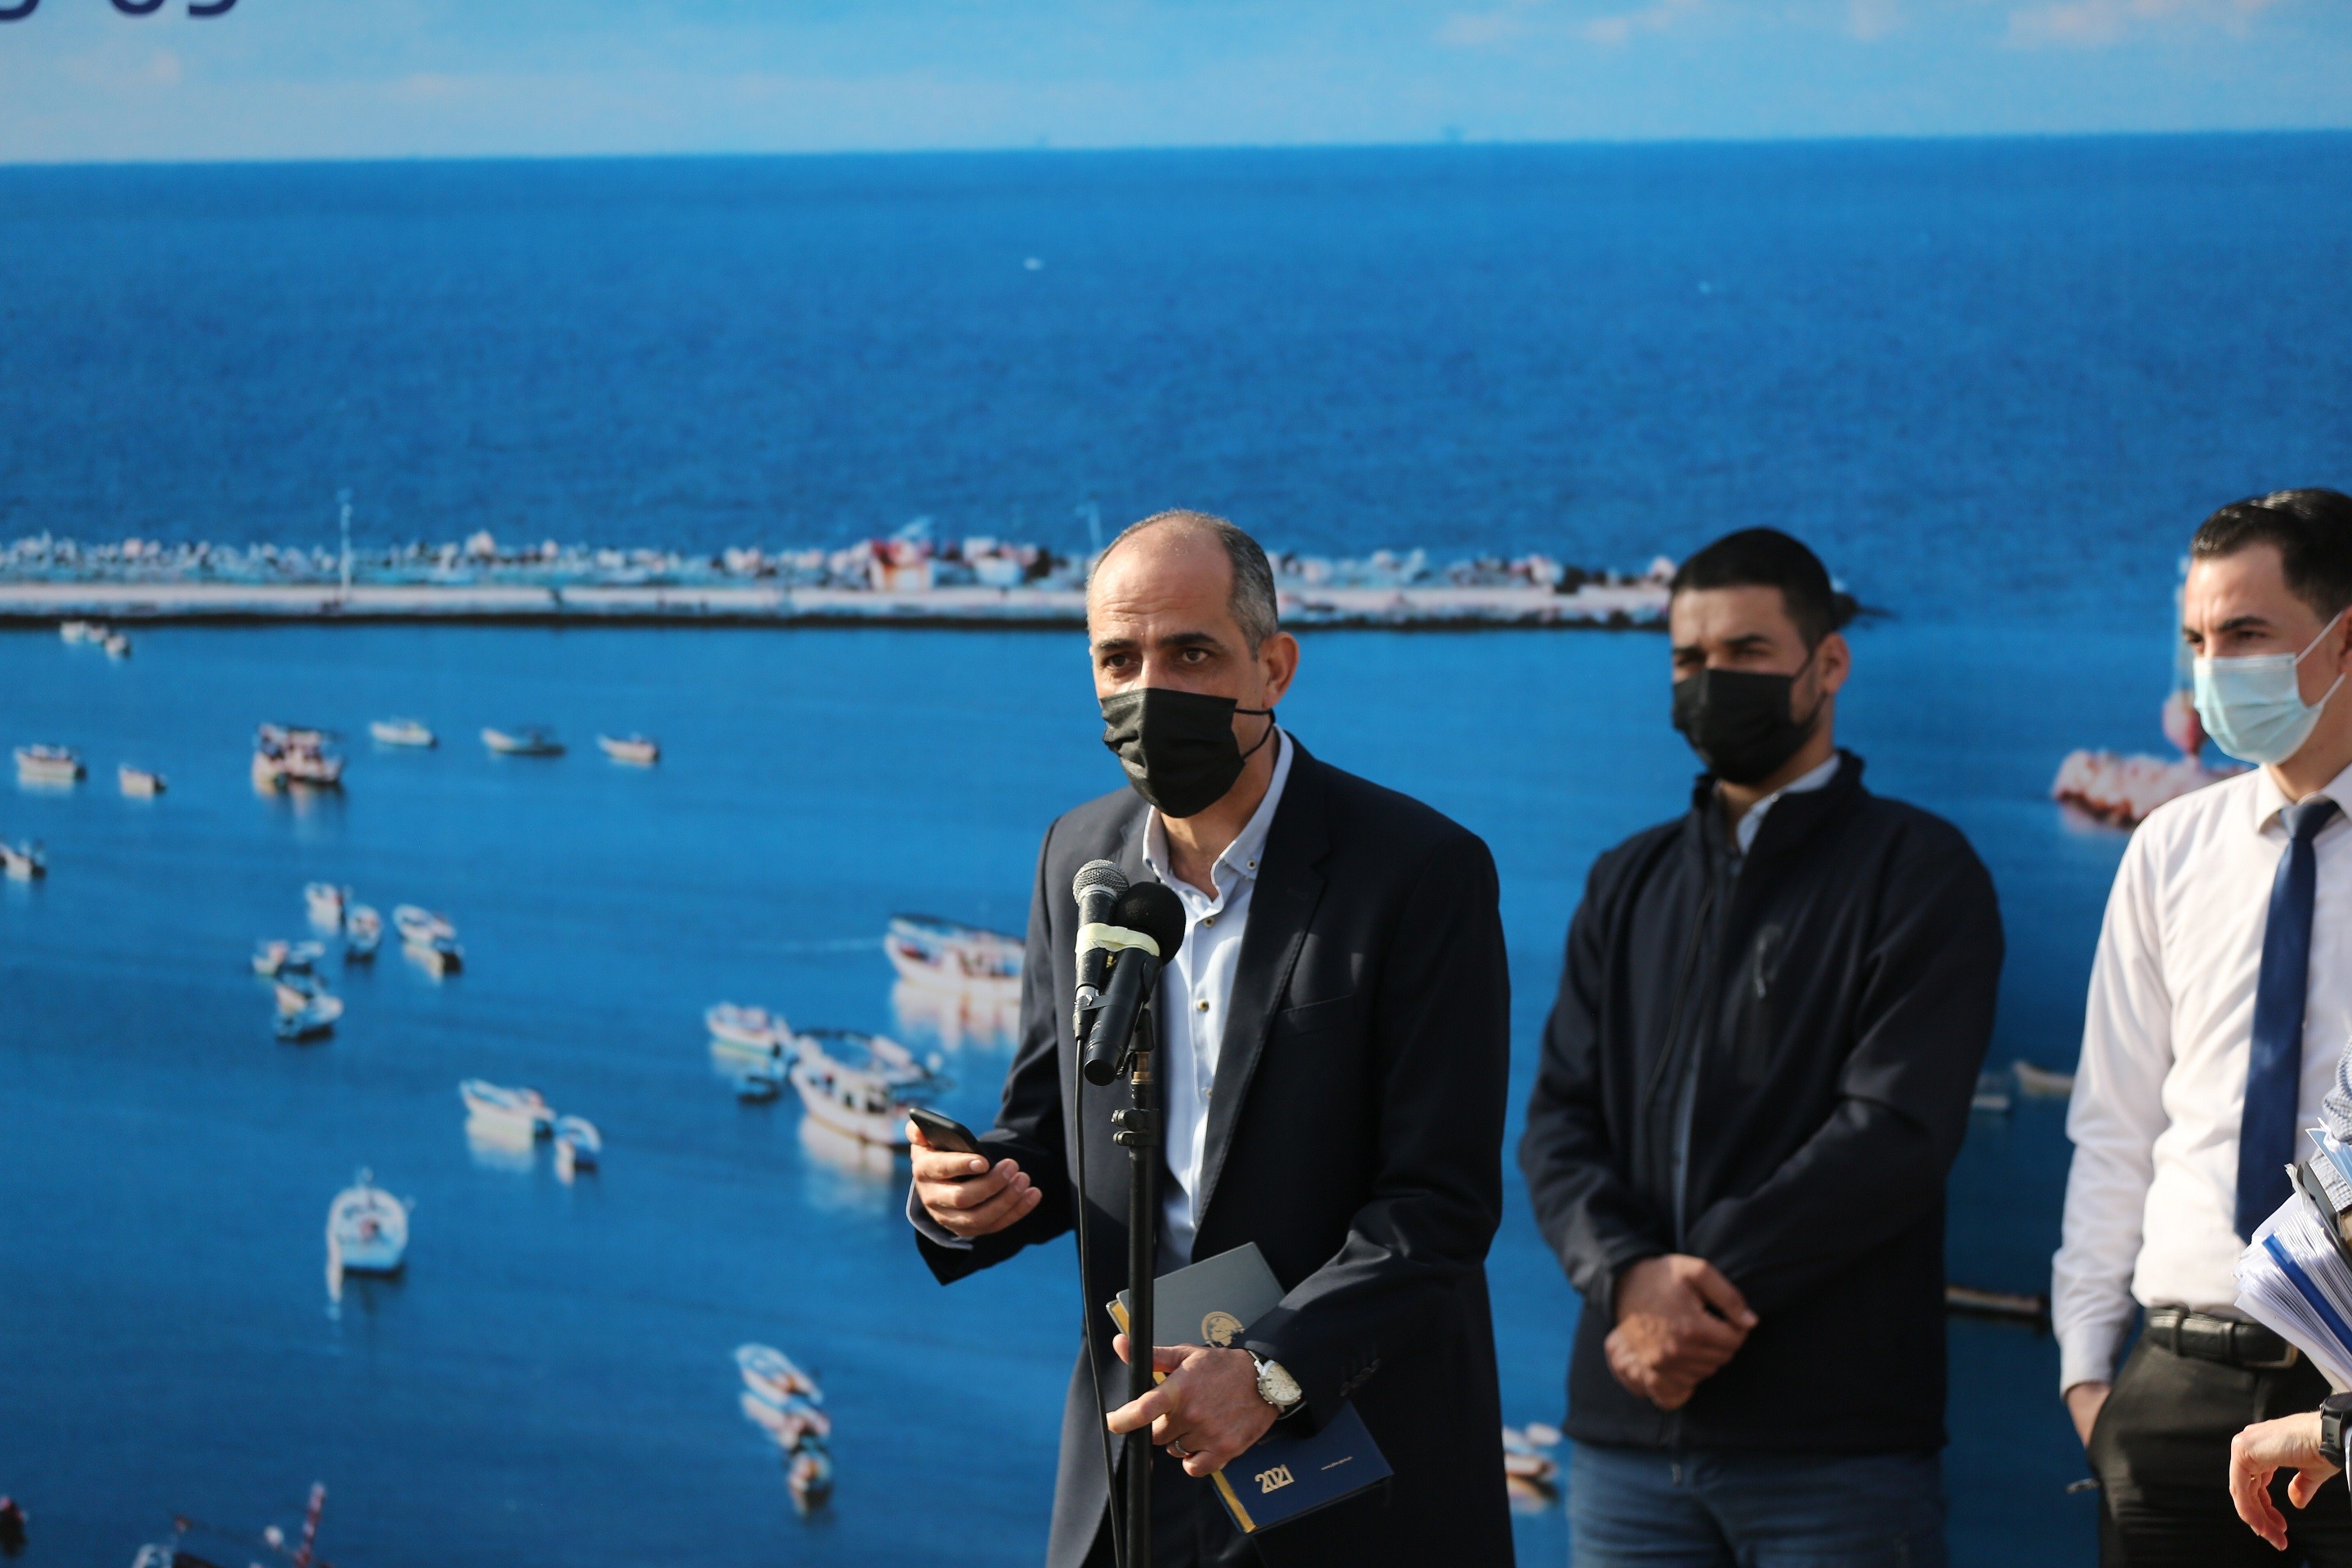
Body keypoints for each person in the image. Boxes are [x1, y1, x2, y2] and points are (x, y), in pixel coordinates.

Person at [906, 510, 1514, 1567]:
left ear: (1273, 667)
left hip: (1350, 1463)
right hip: (1135, 1464)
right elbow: (1048, 1127)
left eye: (1190, 653)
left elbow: (1440, 1203)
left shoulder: (1419, 870)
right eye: (1119, 659)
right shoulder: (1076, 856)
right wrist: (967, 1195)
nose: (1151, 690)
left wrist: (1269, 1372)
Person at [1519, 527, 2002, 1568]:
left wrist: (1693, 1298)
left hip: (1833, 1449)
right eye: (1689, 659)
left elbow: (1897, 1131)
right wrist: (1628, 1278)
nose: (1712, 681)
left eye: (1745, 652)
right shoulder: (1627, 881)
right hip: (1624, 1447)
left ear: (1828, 663)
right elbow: (1557, 1124)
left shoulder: (1920, 872)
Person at [2056, 488, 2352, 1566]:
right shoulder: (2170, 849)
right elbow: (2116, 1122)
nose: (2212, 668)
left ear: (2343, 641)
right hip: (2175, 1386)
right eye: (2196, 639)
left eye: (2246, 634)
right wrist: (2090, 1377)